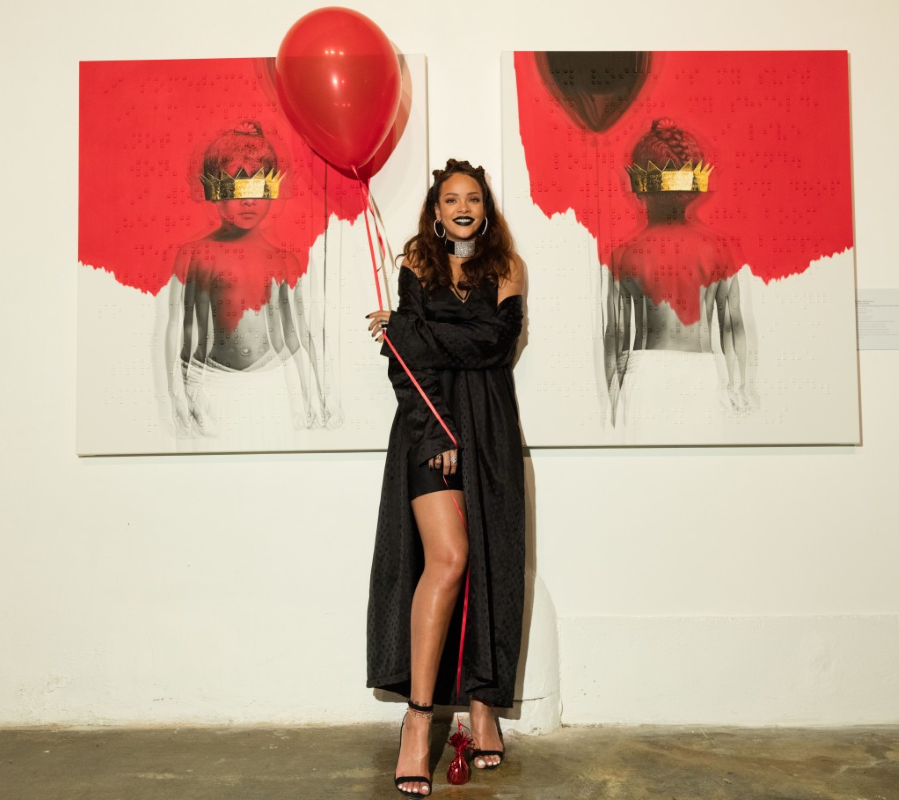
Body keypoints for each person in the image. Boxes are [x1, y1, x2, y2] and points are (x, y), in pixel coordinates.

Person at [365, 159, 526, 797]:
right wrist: (438, 433)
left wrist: (411, 328)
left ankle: (483, 704)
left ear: (486, 210)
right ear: (435, 210)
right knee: (449, 560)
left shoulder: (506, 268)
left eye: (474, 199)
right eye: (451, 199)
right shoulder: (418, 264)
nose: (463, 207)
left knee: (491, 562)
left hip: (491, 428)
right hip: (429, 427)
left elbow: (497, 343)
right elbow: (408, 366)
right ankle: (417, 720)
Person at [164, 120, 336, 444]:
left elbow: (297, 332)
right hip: (213, 381)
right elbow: (182, 328)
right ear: (214, 192)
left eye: (258, 189)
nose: (247, 201)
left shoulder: (284, 261)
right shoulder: (197, 254)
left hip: (271, 383)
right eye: (234, 190)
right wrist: (180, 391)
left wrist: (315, 393)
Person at [604, 118, 755, 435]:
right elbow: (733, 324)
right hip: (700, 371)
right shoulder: (716, 249)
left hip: (643, 372)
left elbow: (616, 333)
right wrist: (739, 384)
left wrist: (612, 395)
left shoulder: (625, 254)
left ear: (643, 188)